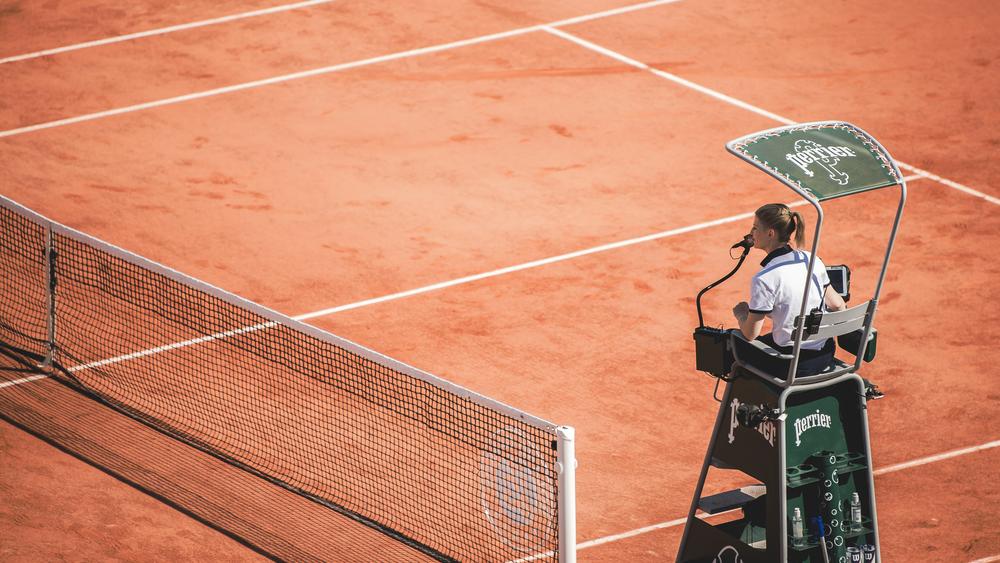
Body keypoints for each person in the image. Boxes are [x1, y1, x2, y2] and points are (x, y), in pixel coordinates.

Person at [732, 203, 846, 376]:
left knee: (734, 345)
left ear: (770, 233)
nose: (751, 233)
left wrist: (741, 314)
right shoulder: (811, 259)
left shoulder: (764, 278)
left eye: (755, 228)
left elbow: (750, 334)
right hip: (825, 353)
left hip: (790, 364)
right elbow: (838, 305)